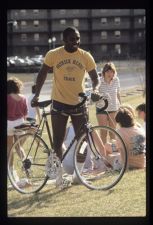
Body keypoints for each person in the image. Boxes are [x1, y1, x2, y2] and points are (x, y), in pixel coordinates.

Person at [31, 26, 100, 189]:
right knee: (57, 142)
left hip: (79, 105)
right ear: (64, 40)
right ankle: (59, 178)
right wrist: (37, 95)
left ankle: (77, 176)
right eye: (72, 39)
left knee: (83, 141)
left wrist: (95, 90)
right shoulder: (53, 54)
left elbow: (95, 78)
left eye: (77, 38)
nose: (76, 41)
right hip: (59, 104)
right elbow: (42, 74)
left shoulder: (86, 56)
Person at [95, 62, 121, 143]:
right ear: (104, 72)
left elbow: (118, 93)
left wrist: (120, 105)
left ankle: (113, 149)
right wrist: (95, 91)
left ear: (114, 72)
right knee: (103, 132)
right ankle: (103, 151)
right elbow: (96, 89)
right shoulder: (99, 80)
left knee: (113, 131)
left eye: (112, 71)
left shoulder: (116, 80)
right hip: (101, 108)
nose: (110, 73)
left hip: (114, 108)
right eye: (108, 71)